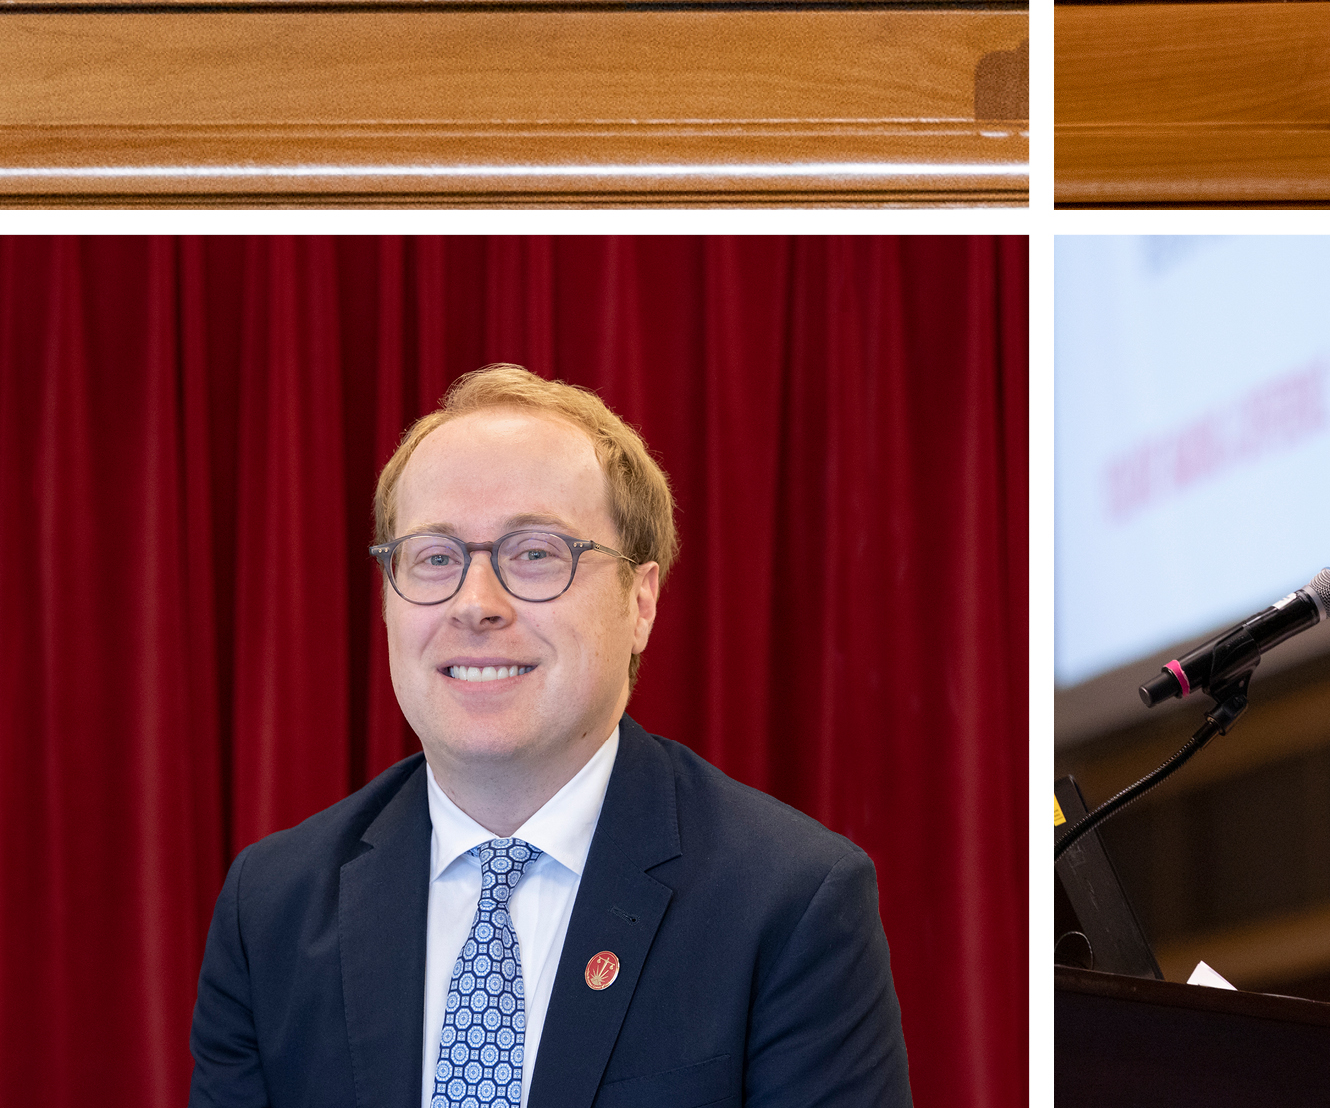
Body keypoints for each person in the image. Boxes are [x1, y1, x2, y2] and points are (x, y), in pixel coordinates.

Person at [188, 365, 911, 1108]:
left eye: (534, 552)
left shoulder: (789, 901)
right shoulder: (271, 905)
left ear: (640, 600)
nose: (475, 604)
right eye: (435, 557)